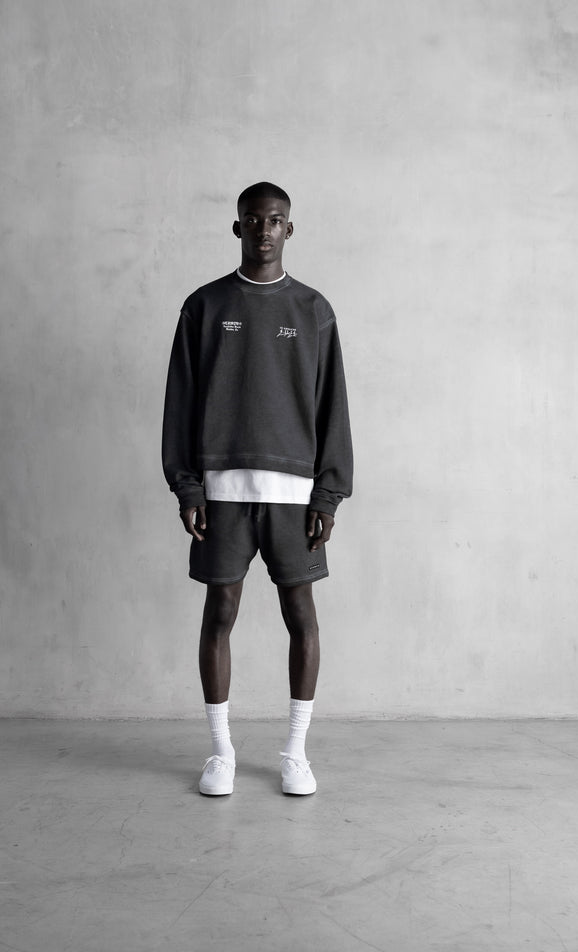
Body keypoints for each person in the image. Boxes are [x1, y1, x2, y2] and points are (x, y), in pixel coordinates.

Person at [162, 182, 353, 797]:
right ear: (237, 226)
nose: (264, 229)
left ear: (289, 229)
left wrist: (327, 495)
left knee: (301, 615)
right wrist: (188, 487)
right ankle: (221, 753)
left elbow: (332, 407)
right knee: (220, 612)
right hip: (221, 490)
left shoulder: (313, 310)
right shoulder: (204, 306)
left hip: (293, 494)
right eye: (253, 219)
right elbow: (181, 402)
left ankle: (295, 752)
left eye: (275, 220)